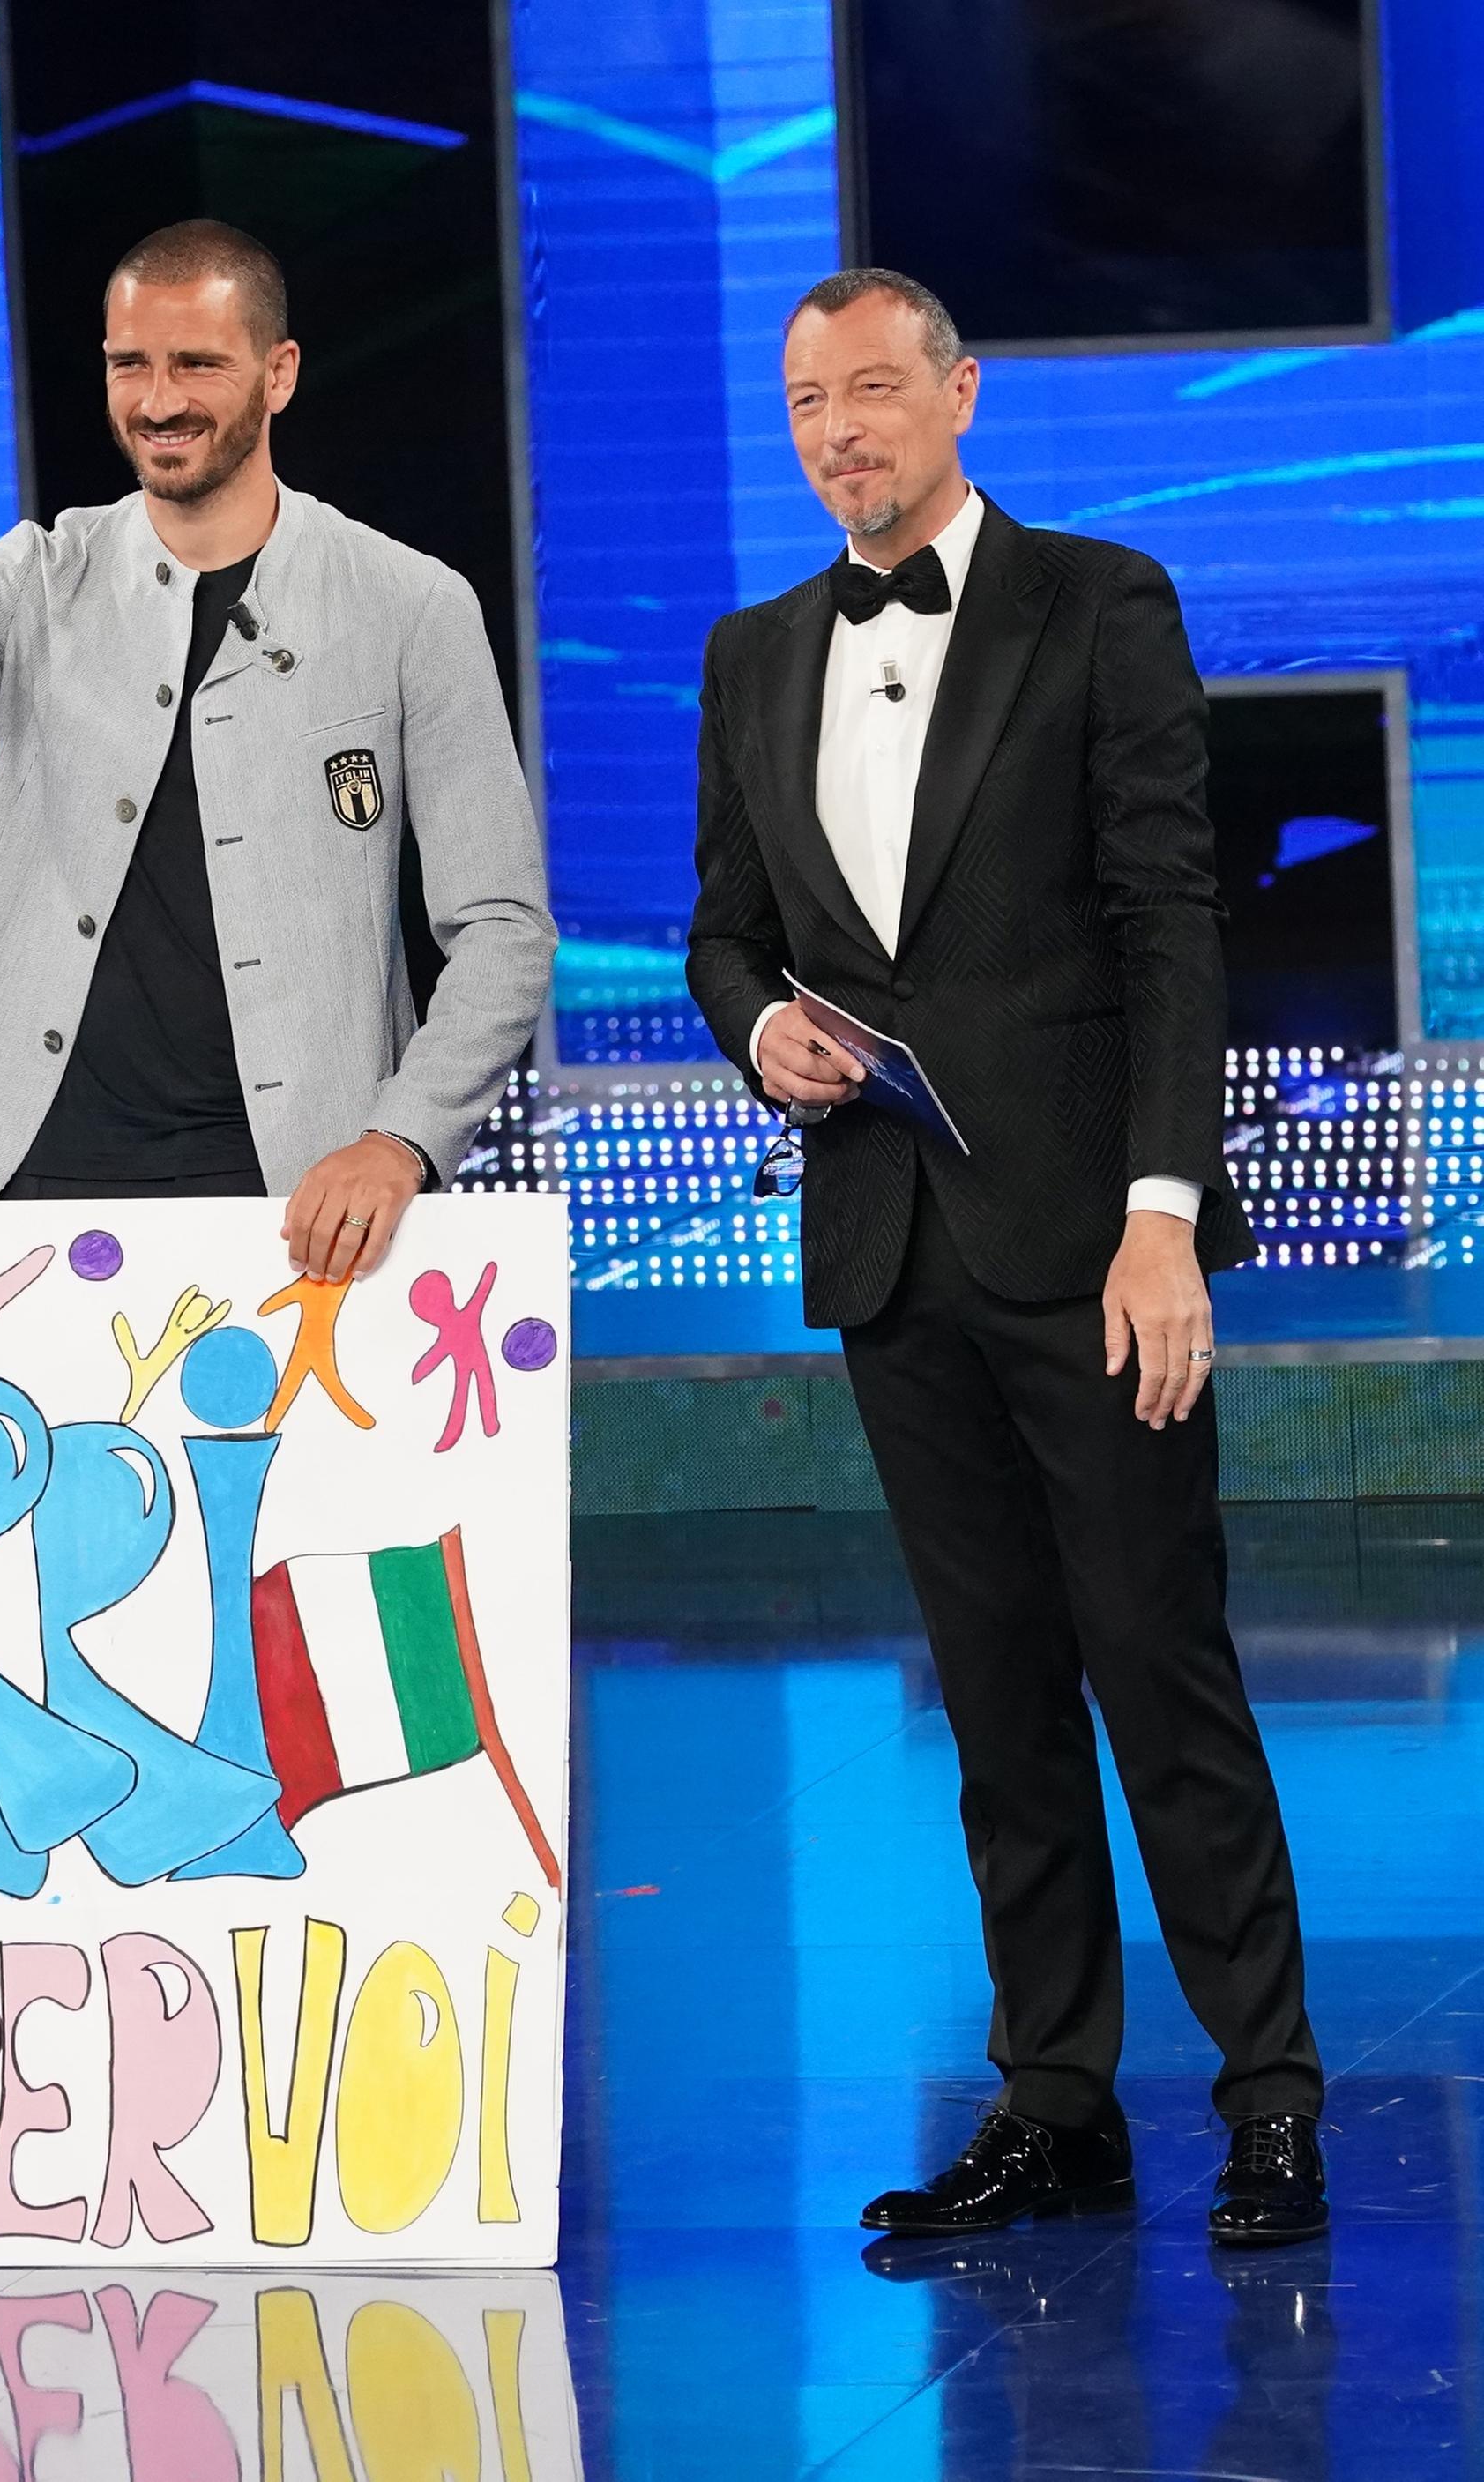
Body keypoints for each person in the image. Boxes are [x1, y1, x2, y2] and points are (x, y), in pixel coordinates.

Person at [686, 266, 1324, 2245]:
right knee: (994, 1697)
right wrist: (756, 1029)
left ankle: (1272, 2097)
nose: (841, 429)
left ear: (957, 394)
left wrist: (1164, 1221)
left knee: (1160, 1668)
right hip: (892, 1248)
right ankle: (1059, 2100)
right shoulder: (750, 649)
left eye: (875, 388)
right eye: (808, 401)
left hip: (1086, 1245)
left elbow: (1169, 925)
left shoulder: (1097, 603)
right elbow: (722, 928)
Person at [0, 220, 550, 1278]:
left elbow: (502, 928)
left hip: (291, 1210)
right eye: (131, 365)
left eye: (197, 362)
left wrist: (401, 1139)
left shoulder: (410, 606)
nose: (158, 401)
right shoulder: (36, 577)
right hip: (12, 1197)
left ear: (279, 372)